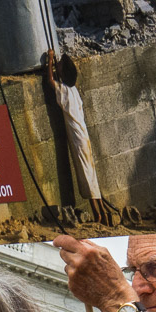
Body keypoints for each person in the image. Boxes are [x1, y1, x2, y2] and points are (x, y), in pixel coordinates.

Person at [46, 48, 110, 226]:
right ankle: (103, 213)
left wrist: (50, 59)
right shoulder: (72, 90)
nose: (57, 66)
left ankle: (98, 214)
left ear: (62, 72)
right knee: (91, 176)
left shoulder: (64, 91)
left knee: (86, 176)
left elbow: (50, 81)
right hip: (83, 136)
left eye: (59, 66)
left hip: (77, 139)